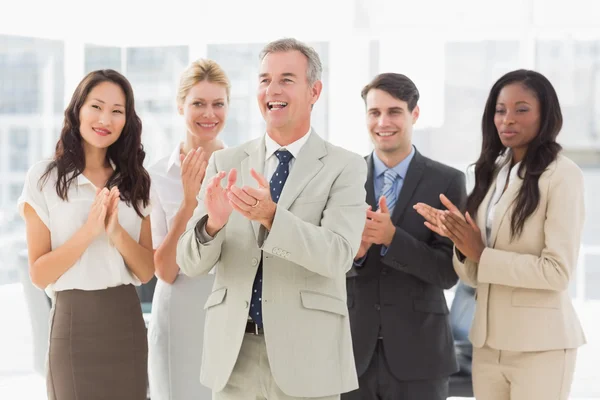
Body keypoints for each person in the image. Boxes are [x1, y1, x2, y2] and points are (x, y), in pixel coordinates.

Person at [176, 38, 367, 400]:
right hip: (233, 357)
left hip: (307, 356)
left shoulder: (346, 166)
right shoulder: (225, 163)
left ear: (315, 91)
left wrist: (272, 216)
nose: (272, 90)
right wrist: (212, 225)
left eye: (286, 79)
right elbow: (189, 262)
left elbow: (338, 255)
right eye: (264, 80)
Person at [414, 69, 586, 400]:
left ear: (545, 115)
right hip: (488, 344)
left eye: (521, 109)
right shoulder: (493, 172)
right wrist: (460, 244)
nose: (507, 119)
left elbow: (557, 272)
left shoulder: (563, 176)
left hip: (540, 346)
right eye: (500, 109)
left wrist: (480, 252)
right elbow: (477, 275)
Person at [18, 69, 154, 400]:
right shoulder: (44, 179)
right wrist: (89, 231)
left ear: (127, 120)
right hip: (72, 323)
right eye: (96, 106)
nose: (105, 118)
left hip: (125, 321)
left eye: (117, 110)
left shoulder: (137, 181)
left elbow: (147, 270)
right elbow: (39, 274)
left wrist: (115, 231)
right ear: (78, 109)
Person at [343, 73, 466, 400]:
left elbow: (447, 272)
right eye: (374, 112)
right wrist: (356, 253)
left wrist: (392, 238)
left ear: (415, 114)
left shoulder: (448, 181)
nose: (383, 122)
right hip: (352, 354)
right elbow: (324, 261)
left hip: (421, 356)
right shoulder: (342, 178)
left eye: (394, 111)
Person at [148, 59, 228, 400]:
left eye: (217, 104)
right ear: (180, 106)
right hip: (177, 315)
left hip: (231, 315)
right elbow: (164, 270)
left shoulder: (247, 167)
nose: (208, 114)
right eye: (198, 103)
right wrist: (188, 202)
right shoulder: (156, 176)